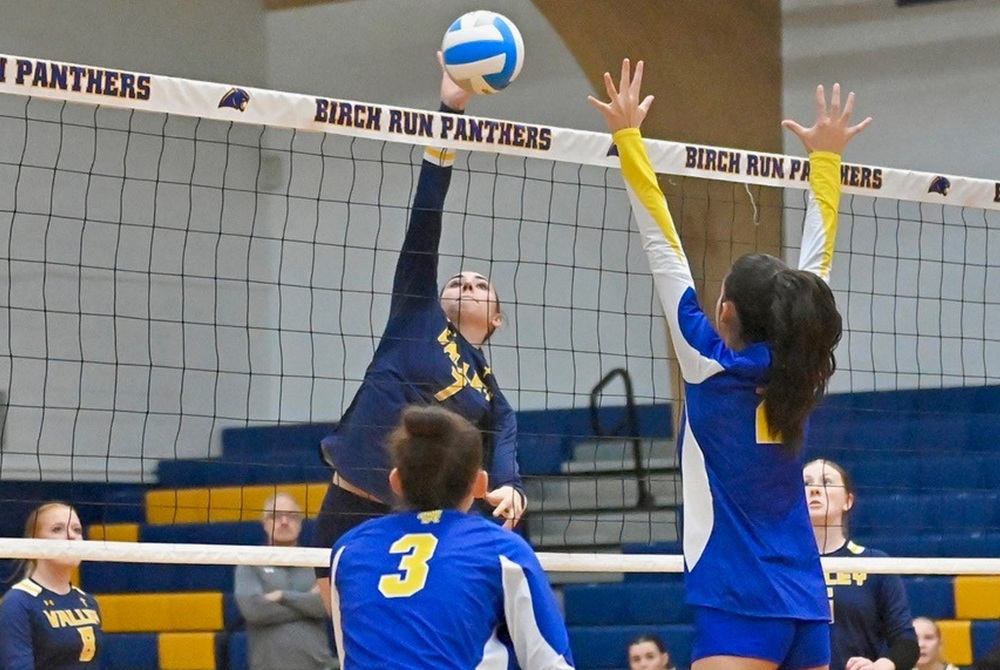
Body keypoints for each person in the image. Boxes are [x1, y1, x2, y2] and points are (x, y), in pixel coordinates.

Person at [589, 58, 872, 670]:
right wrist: (827, 161)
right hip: (804, 603)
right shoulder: (799, 364)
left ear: (726, 313)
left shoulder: (704, 363)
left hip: (739, 601)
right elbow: (816, 262)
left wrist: (628, 138)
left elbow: (662, 242)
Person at [313, 53, 525, 609]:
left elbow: (502, 440)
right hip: (356, 505)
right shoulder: (417, 313)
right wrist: (448, 113)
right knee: (349, 641)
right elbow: (425, 217)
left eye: (481, 287)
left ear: (496, 321)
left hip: (423, 527)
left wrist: (511, 485)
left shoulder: (489, 393)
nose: (466, 283)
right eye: (460, 279)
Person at [329, 404, 573, 670]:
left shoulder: (348, 550)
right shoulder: (502, 550)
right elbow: (552, 664)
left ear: (395, 481)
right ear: (480, 484)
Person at [803, 459, 919, 670]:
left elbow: (906, 642)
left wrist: (881, 666)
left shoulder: (875, 564)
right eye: (806, 484)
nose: (815, 490)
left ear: (848, 501)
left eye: (827, 482)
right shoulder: (779, 566)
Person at [234, 492, 336, 670]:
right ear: (264, 523)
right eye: (276, 516)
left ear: (301, 523)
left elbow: (325, 606)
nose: (284, 521)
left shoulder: (317, 562)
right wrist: (306, 601)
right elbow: (253, 609)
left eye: (292, 516)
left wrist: (282, 596)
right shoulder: (250, 562)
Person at [0, 501, 102, 669]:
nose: (71, 536)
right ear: (34, 542)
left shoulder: (89, 602)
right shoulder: (18, 602)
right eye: (57, 529)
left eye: (77, 530)